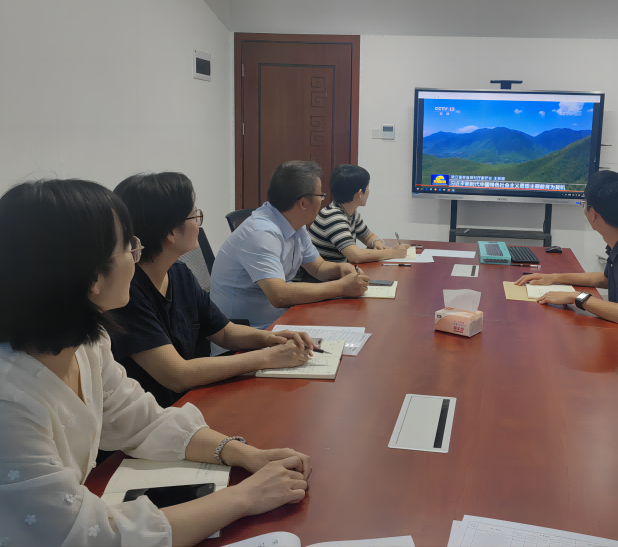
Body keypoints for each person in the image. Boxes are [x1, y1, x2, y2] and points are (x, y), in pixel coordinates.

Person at [0, 179, 312, 547]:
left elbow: (143, 420)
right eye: (128, 246)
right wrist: (245, 497)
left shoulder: (89, 343)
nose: (136, 255)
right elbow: (86, 536)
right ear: (93, 277)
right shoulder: (10, 400)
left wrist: (246, 454)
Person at [108, 172, 317, 408]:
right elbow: (177, 375)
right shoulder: (127, 292)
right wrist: (267, 357)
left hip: (188, 401)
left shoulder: (179, 273)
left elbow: (224, 332)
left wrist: (271, 339)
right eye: (194, 216)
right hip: (154, 414)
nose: (198, 225)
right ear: (170, 232)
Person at [515, 170, 618, 371]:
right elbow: (607, 278)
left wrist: (577, 297)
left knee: (552, 355)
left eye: (584, 203)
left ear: (593, 214)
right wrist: (554, 277)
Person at [210, 161, 369, 331]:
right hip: (248, 332)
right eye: (320, 195)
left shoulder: (296, 225)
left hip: (282, 318)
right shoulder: (261, 233)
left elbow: (318, 268)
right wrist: (342, 287)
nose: (323, 201)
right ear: (303, 203)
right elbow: (279, 295)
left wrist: (341, 269)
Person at [309, 164, 411, 264]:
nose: (369, 191)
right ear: (360, 193)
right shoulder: (333, 217)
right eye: (368, 187)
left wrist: (376, 242)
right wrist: (393, 253)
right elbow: (355, 256)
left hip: (338, 271)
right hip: (322, 275)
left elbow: (368, 237)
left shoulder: (350, 213)